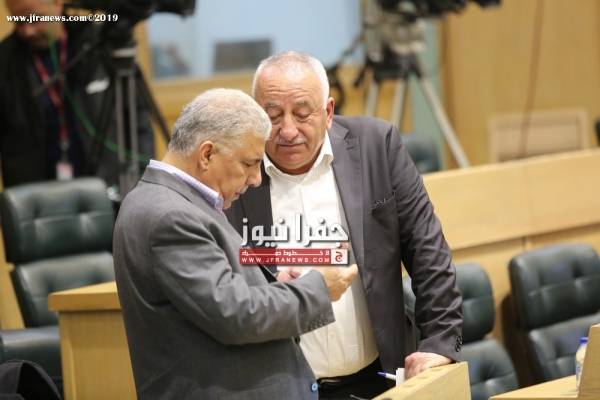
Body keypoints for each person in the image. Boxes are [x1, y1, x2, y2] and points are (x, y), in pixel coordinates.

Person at [225, 51, 463, 399]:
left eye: (302, 113)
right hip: (284, 388)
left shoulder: (376, 146)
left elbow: (429, 253)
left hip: (379, 378)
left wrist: (439, 344)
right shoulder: (232, 175)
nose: (287, 130)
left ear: (328, 112)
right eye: (272, 116)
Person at [113, 88, 360, 400]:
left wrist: (277, 286)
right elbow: (234, 314)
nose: (256, 178)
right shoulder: (171, 215)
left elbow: (213, 297)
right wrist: (318, 289)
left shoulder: (174, 201)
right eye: (249, 163)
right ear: (206, 154)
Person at [0, 0, 154, 190]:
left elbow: (139, 120)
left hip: (106, 188)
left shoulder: (101, 44)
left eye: (34, 19)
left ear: (57, 3)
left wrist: (145, 181)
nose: (27, 31)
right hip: (36, 196)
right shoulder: (5, 61)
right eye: (18, 21)